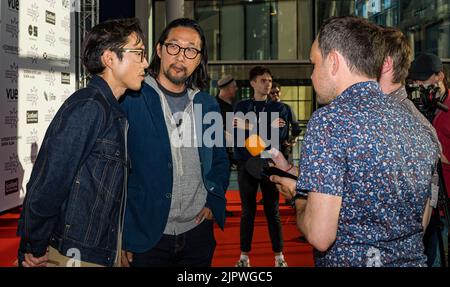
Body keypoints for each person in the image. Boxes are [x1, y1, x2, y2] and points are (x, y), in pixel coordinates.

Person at [270, 16, 438, 267]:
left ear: (334, 61)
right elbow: (421, 220)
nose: (313, 76)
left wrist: (299, 196)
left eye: (314, 64)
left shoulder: (329, 121)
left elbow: (320, 235)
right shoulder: (421, 126)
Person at [16, 18, 149, 267]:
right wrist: (33, 244)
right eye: (139, 53)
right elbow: (50, 181)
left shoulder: (110, 109)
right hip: (74, 254)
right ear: (110, 58)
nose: (145, 62)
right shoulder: (90, 107)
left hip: (97, 250)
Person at [120, 18, 229, 267]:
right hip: (147, 236)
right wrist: (125, 233)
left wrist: (214, 201)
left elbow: (220, 159)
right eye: (174, 47)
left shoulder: (207, 104)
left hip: (197, 234)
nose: (181, 56)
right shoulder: (132, 98)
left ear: (199, 58)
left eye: (191, 50)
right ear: (158, 50)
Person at [233, 66, 290, 267]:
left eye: (269, 80)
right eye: (263, 80)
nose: (268, 84)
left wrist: (250, 126)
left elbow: (278, 138)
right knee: (247, 211)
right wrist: (266, 127)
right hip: (245, 164)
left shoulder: (279, 108)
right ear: (253, 83)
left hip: (269, 164)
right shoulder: (241, 106)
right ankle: (243, 258)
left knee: (272, 211)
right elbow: (239, 136)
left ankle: (279, 257)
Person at [408, 52, 450, 267]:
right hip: (425, 203)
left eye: (423, 79)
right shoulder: (416, 110)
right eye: (415, 80)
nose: (419, 85)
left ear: (440, 76)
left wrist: (439, 156)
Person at [216, 74, 238, 217]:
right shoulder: (214, 105)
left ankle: (220, 206)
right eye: (234, 86)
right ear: (228, 88)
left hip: (229, 151)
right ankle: (217, 208)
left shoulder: (232, 107)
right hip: (218, 151)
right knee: (219, 179)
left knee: (224, 180)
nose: (236, 89)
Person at [269, 82, 301, 162]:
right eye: (272, 93)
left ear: (280, 92)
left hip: (284, 145)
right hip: (269, 145)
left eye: (277, 92)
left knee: (285, 171)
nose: (275, 94)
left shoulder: (287, 108)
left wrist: (293, 139)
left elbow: (295, 125)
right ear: (269, 94)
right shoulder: (264, 108)